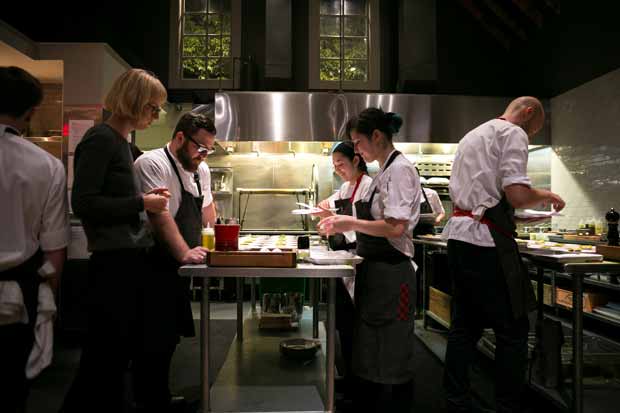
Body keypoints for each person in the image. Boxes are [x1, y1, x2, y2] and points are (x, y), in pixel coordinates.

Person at [440, 96, 565, 412]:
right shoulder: (513, 132)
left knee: (465, 326)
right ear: (527, 112)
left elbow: (485, 201)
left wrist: (526, 214)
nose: (530, 136)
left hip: (458, 237)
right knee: (513, 330)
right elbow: (517, 194)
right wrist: (546, 195)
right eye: (533, 129)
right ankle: (508, 407)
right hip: (486, 244)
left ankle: (456, 401)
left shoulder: (473, 135)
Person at [60, 69, 169, 413]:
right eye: (154, 108)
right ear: (136, 102)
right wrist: (142, 202)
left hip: (129, 259)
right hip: (113, 262)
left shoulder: (123, 143)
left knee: (117, 353)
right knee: (104, 355)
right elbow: (84, 203)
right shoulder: (101, 139)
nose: (156, 115)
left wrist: (144, 196)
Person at [319, 108, 421, 413]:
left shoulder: (401, 170)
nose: (357, 150)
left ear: (377, 136)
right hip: (376, 273)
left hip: (393, 274)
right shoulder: (385, 170)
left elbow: (395, 226)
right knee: (372, 349)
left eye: (358, 142)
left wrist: (348, 224)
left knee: (392, 350)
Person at [133, 112, 217, 410]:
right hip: (151, 260)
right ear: (180, 137)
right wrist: (183, 252)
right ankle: (148, 399)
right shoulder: (151, 163)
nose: (204, 155)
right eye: (200, 148)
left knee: (170, 335)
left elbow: (207, 211)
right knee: (151, 336)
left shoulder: (200, 169)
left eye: (210, 149)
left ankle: (159, 395)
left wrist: (220, 244)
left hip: (179, 264)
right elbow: (160, 216)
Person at [0, 66, 70, 413]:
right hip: (16, 302)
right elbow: (54, 248)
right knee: (13, 393)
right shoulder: (47, 166)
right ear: (30, 112)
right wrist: (49, 302)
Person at [313, 139, 372, 403]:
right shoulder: (346, 187)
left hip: (362, 264)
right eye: (334, 165)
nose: (337, 168)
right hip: (344, 262)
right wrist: (321, 212)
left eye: (341, 163)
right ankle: (348, 376)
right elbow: (327, 205)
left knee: (356, 329)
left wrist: (338, 225)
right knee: (344, 326)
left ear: (357, 160)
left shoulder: (369, 187)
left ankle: (359, 382)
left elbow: (366, 226)